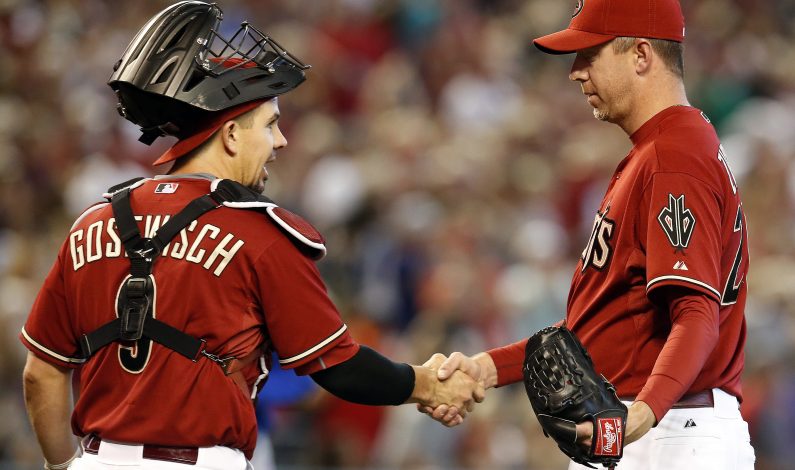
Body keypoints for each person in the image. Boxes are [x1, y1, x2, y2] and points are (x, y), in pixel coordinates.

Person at [19, 3, 483, 470]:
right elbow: (337, 366)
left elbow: (42, 372)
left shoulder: (91, 222)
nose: (280, 141)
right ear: (232, 135)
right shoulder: (258, 232)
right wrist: (427, 384)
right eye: (271, 124)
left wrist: (62, 466)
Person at [421, 0, 756, 468]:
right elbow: (598, 325)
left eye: (591, 54)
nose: (576, 72)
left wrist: (638, 417)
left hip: (672, 435)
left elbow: (697, 313)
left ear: (641, 55)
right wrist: (486, 368)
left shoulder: (673, 157)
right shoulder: (660, 150)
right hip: (661, 429)